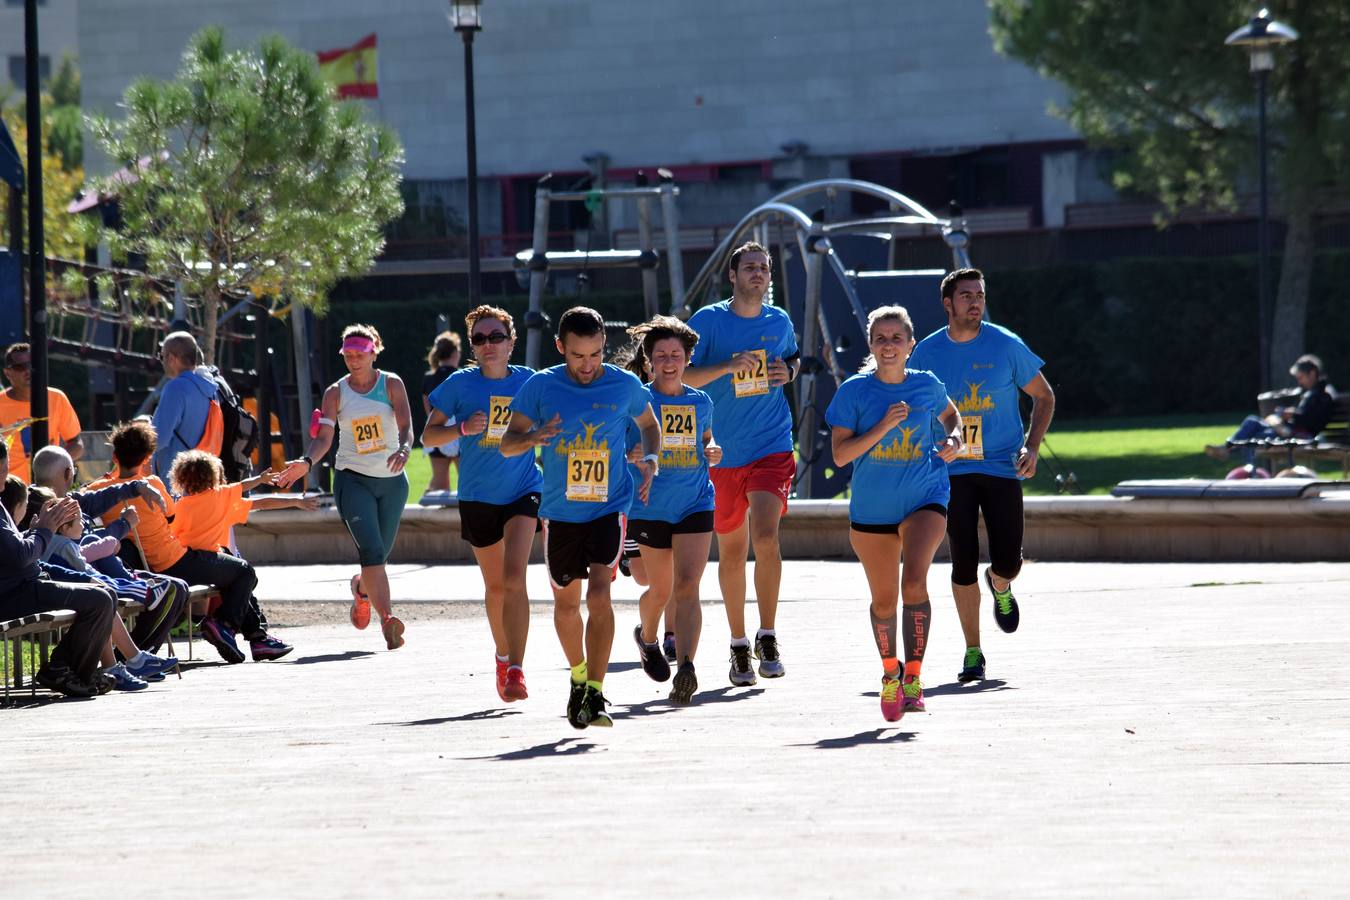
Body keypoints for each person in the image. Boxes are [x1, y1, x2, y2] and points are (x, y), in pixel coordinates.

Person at [501, 306, 660, 728]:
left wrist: (651, 457)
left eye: (595, 355)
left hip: (609, 507)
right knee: (567, 603)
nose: (588, 366)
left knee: (601, 596)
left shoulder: (624, 384)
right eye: (577, 356)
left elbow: (649, 423)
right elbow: (507, 443)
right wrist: (534, 436)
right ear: (560, 348)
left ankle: (597, 691)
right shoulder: (540, 386)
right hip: (559, 512)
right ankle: (577, 677)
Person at [908, 268, 1055, 683]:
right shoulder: (927, 353)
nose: (975, 302)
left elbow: (1044, 396)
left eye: (980, 294)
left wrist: (1032, 445)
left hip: (1001, 466)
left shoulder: (1006, 344)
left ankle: (1001, 585)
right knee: (962, 559)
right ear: (947, 304)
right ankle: (973, 651)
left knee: (1009, 558)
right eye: (966, 295)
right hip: (951, 470)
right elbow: (909, 402)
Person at [827, 307, 963, 720]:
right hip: (872, 510)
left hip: (926, 494)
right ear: (871, 345)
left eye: (896, 338)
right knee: (884, 601)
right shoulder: (853, 391)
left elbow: (951, 415)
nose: (889, 346)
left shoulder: (927, 384)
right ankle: (891, 674)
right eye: (881, 339)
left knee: (915, 582)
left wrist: (955, 438)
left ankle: (915, 677)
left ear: (910, 345)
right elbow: (840, 454)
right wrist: (884, 426)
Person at [683, 241, 800, 686]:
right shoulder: (709, 321)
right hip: (720, 451)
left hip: (771, 443)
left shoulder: (779, 320)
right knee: (732, 551)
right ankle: (737, 645)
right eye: (749, 268)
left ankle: (767, 634)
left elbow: (791, 361)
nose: (758, 274)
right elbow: (682, 376)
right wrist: (727, 366)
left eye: (764, 269)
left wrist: (787, 372)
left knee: (766, 537)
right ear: (732, 276)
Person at [88, 420, 281, 665]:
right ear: (148, 457)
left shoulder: (98, 489)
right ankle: (224, 625)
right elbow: (171, 515)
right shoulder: (154, 484)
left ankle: (254, 636)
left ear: (114, 456)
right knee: (243, 572)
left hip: (143, 567)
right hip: (174, 561)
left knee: (227, 566)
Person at [422, 306, 541, 702]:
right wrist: (461, 428)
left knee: (514, 579)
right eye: (479, 338)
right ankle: (502, 657)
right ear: (472, 345)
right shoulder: (460, 384)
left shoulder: (530, 382)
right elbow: (428, 436)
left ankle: (519, 670)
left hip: (524, 489)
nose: (488, 345)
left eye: (496, 337)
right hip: (477, 495)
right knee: (494, 586)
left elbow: (556, 421)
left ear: (511, 341)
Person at [278, 324, 415, 651]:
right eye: (348, 355)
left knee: (379, 556)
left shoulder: (392, 384)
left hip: (393, 483)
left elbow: (408, 426)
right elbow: (324, 438)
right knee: (371, 551)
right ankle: (388, 621)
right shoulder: (335, 393)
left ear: (374, 352)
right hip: (352, 479)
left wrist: (405, 449)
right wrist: (306, 463)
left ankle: (362, 591)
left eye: (360, 354)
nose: (353, 360)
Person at [622, 316, 720, 705]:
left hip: (696, 502)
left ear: (687, 359)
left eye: (675, 355)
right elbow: (619, 447)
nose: (668, 361)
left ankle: (687, 667)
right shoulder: (637, 402)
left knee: (688, 587)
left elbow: (709, 440)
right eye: (660, 354)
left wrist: (715, 450)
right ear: (648, 361)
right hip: (650, 506)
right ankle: (647, 638)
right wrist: (632, 456)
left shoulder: (701, 401)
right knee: (660, 590)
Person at [22, 485, 179, 691]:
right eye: (80, 522)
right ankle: (131, 659)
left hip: (53, 587)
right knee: (100, 595)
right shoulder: (61, 543)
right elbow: (80, 569)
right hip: (45, 591)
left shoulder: (50, 538)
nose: (84, 524)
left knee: (101, 597)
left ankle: (121, 663)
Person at [0, 438, 116, 698]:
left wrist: (35, 531)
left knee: (105, 593)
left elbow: (14, 551)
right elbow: (19, 557)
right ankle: (64, 671)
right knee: (99, 600)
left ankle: (73, 673)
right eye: (4, 468)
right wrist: (44, 530)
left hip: (23, 585)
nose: (7, 475)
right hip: (13, 593)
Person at [169, 451, 308, 662]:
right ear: (213, 476)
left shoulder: (179, 506)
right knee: (245, 574)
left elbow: (171, 536)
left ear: (180, 478)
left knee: (239, 579)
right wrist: (293, 500)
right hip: (207, 561)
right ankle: (224, 625)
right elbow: (255, 498)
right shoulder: (220, 497)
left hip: (185, 564)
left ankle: (257, 639)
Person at [1205, 354, 1338, 465]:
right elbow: (1304, 414)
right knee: (1252, 421)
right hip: (1287, 430)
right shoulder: (1311, 393)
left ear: (1313, 373)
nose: (1299, 382)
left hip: (1301, 435)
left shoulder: (1323, 395)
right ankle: (1227, 449)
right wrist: (1290, 414)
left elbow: (1313, 422)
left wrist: (1292, 415)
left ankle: (1250, 476)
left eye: (1301, 377)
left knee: (1253, 441)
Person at [0, 342, 83, 484]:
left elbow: (77, 443)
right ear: (8, 373)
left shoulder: (56, 398)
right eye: (20, 367)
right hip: (9, 490)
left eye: (31, 365)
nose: (27, 371)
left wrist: (55, 464)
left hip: (47, 489)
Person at [150, 332, 218, 481]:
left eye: (162, 356)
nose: (162, 362)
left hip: (175, 479)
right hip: (202, 477)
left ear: (172, 359)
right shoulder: (210, 389)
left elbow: (158, 439)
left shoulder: (175, 388)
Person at [421, 331, 464, 494]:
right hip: (460, 432)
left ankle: (430, 517)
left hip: (437, 433)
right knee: (467, 483)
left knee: (440, 485)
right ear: (455, 353)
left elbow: (429, 411)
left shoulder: (428, 378)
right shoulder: (462, 377)